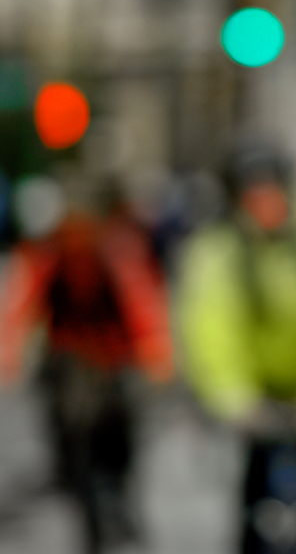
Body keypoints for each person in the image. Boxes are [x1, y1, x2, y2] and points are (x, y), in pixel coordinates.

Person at [177, 147, 296, 554]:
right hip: (259, 394)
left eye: (270, 194)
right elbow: (209, 323)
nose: (263, 207)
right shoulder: (220, 248)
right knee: (255, 505)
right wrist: (231, 398)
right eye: (251, 198)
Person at [0, 177, 172, 553]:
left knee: (121, 435)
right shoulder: (48, 254)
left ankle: (122, 500)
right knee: (68, 431)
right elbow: (22, 306)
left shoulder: (116, 251)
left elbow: (139, 301)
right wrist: (10, 358)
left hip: (111, 357)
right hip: (68, 357)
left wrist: (154, 352)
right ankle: (81, 497)